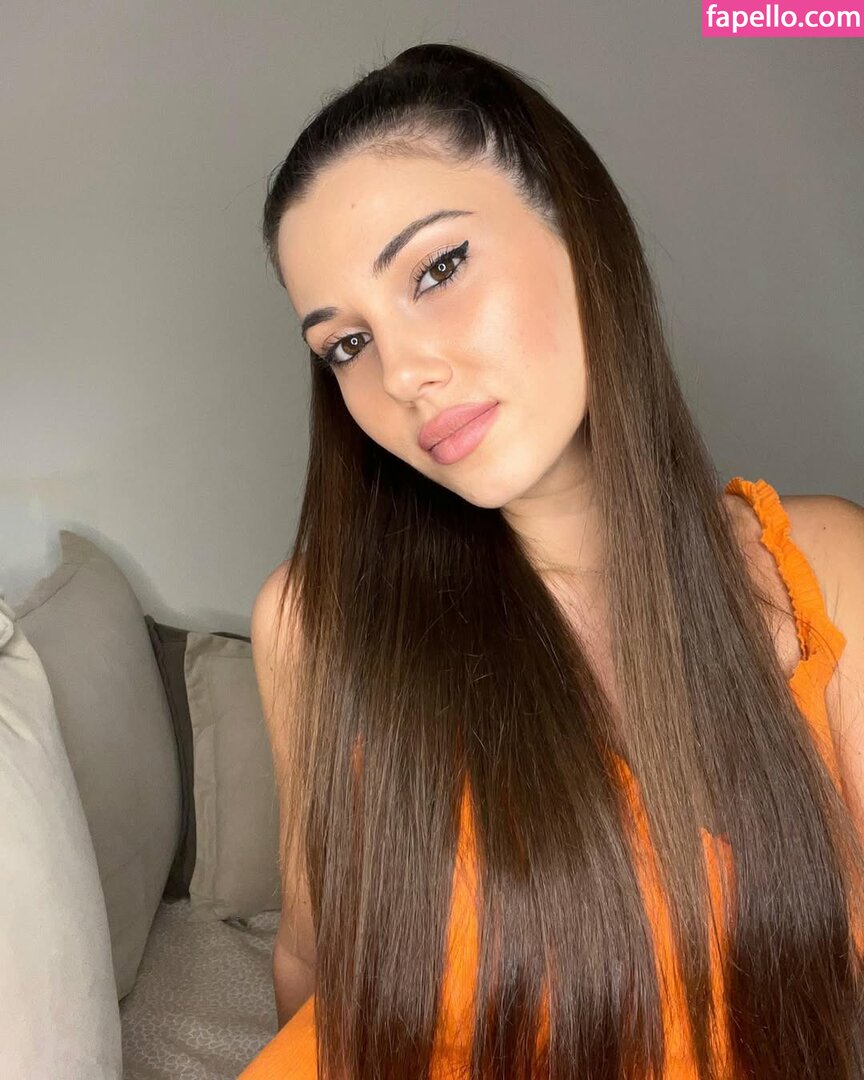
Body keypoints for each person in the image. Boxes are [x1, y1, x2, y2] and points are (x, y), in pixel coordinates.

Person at [240, 42, 864, 1079]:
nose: (402, 373)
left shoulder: (821, 574)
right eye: (345, 344)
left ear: (580, 230)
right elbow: (312, 959)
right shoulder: (314, 621)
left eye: (436, 270)